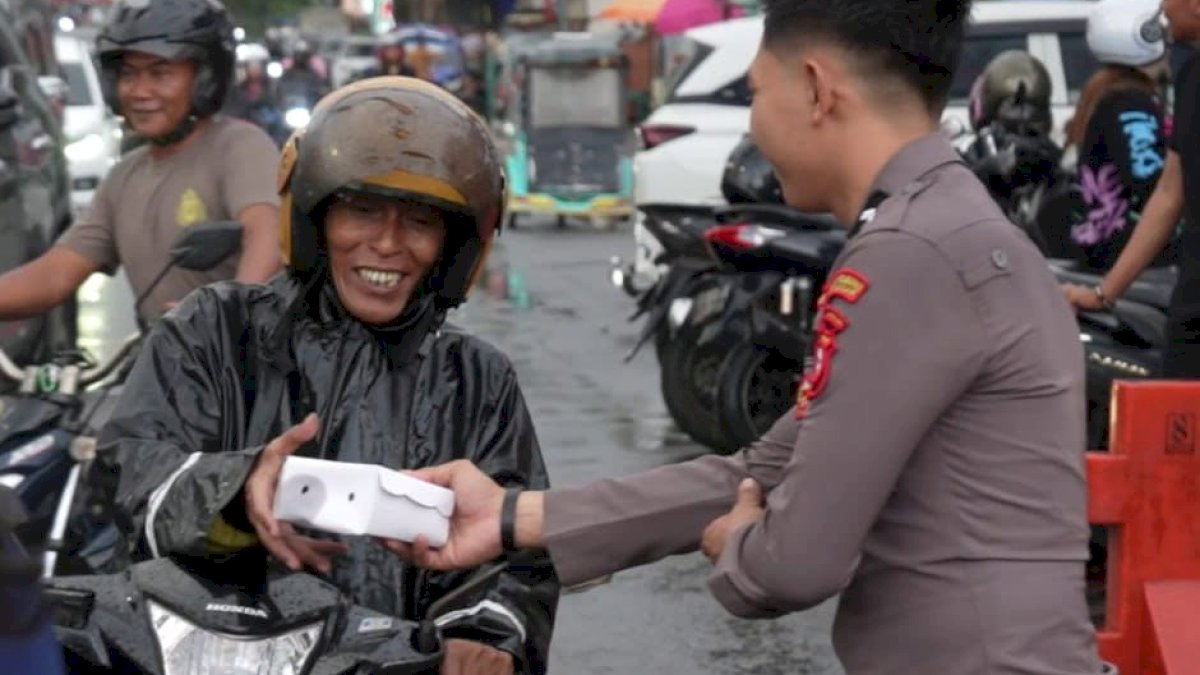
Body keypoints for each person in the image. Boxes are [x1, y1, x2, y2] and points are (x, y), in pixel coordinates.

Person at [269, 0, 1103, 672]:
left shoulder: (909, 253)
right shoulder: (952, 228)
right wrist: (513, 515)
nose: (754, 124)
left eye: (756, 94)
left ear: (817, 90)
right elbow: (762, 467)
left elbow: (791, 562)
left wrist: (740, 547)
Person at [88, 77, 559, 675]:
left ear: (452, 245)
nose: (387, 243)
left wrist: (482, 632)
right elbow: (130, 477)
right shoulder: (215, 330)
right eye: (362, 211)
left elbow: (513, 552)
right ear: (316, 217)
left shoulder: (475, 379)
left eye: (419, 221)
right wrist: (237, 489)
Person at [0, 0, 281, 326]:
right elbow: (55, 274)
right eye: (128, 74)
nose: (140, 91)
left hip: (243, 353)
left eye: (160, 73)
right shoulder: (124, 177)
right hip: (162, 352)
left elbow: (269, 238)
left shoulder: (239, 146)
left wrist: (231, 317)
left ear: (204, 80)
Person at [1063, 0, 1200, 378]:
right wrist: (1105, 294)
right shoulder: (1188, 79)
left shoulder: (1126, 97)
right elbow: (1167, 194)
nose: (1162, 8)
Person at [1063, 0, 1171, 271]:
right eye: (1160, 31)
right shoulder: (1131, 102)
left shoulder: (1108, 90)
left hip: (1105, 242)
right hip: (1130, 248)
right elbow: (1148, 176)